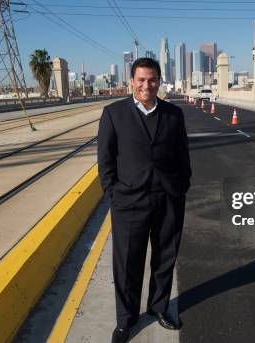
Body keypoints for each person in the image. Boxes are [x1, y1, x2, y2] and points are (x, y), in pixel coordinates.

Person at [97, 57, 191, 343]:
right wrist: (113, 194)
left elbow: (183, 156)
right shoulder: (113, 113)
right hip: (129, 201)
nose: (146, 85)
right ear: (132, 81)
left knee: (165, 257)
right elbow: (106, 160)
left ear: (159, 81)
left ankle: (158, 307)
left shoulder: (173, 114)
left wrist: (181, 187)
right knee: (128, 263)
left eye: (152, 80)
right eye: (141, 79)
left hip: (168, 199)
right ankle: (125, 320)